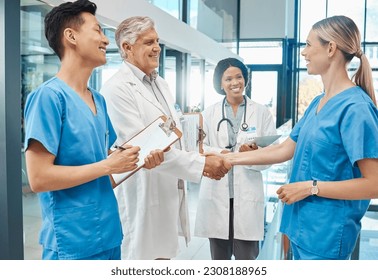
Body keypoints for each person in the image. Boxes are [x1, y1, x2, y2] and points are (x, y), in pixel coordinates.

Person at [216, 15, 378, 260]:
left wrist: (311, 188)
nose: (304, 53)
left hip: (327, 234)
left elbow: (374, 184)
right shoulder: (318, 102)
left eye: (309, 45)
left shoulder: (356, 108)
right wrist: (230, 159)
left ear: (331, 48)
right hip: (299, 226)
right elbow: (283, 149)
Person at [23, 0, 163, 260]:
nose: (106, 41)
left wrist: (138, 161)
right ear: (71, 36)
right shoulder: (49, 98)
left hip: (109, 235)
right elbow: (39, 178)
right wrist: (109, 165)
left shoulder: (98, 100)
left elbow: (109, 173)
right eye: (98, 30)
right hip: (71, 241)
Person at [100, 16, 231, 260]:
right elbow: (141, 148)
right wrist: (202, 165)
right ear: (127, 48)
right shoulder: (117, 88)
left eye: (157, 41)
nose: (157, 47)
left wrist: (209, 151)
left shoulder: (160, 84)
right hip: (142, 193)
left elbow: (172, 134)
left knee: (162, 258)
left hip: (166, 189)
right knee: (140, 260)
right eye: (149, 42)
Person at [194, 58, 277, 260]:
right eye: (228, 78)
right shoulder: (209, 113)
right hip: (217, 194)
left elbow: (272, 151)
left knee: (247, 260)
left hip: (247, 192)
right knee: (219, 260)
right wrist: (225, 154)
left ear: (245, 79)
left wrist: (251, 155)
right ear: (220, 84)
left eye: (239, 77)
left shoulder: (261, 112)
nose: (235, 82)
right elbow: (199, 148)